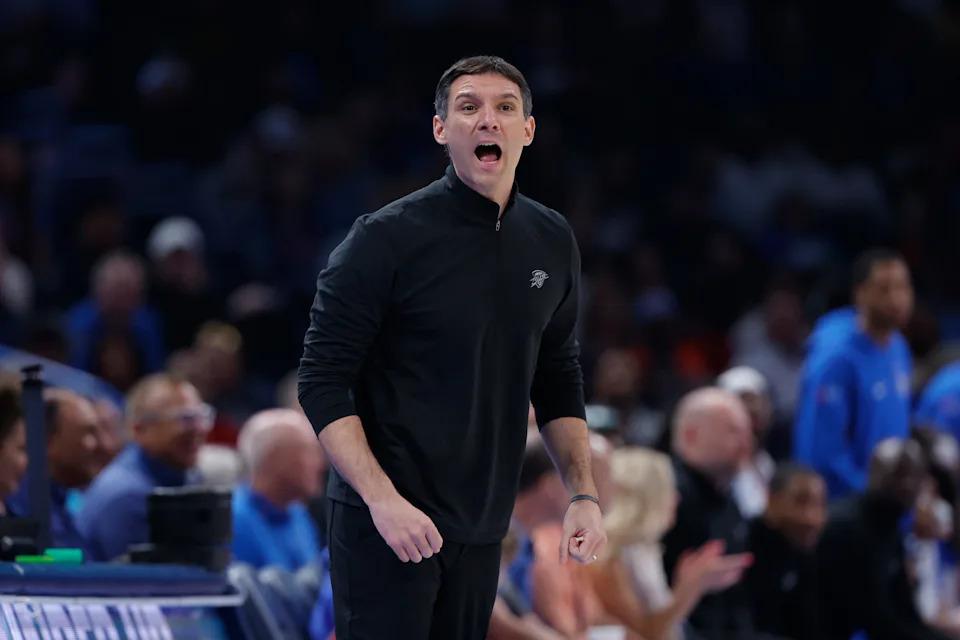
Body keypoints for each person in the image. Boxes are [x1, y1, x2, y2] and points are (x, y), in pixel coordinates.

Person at [297, 55, 605, 640]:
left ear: (528, 131)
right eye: (468, 108)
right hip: (386, 523)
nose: (487, 121)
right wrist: (383, 501)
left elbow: (560, 376)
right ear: (442, 130)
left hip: (484, 524)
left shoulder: (551, 239)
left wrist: (583, 493)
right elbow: (320, 381)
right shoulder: (383, 239)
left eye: (505, 109)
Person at [589, 447, 752, 640]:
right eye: (669, 488)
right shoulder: (609, 556)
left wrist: (691, 587)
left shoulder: (645, 551)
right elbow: (646, 633)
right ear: (647, 496)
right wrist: (689, 589)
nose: (677, 498)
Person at [793, 249, 914, 498]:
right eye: (883, 289)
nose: (896, 299)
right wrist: (875, 500)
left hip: (887, 504)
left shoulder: (899, 347)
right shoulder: (835, 360)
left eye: (902, 287)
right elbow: (822, 455)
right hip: (848, 509)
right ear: (859, 293)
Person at [816, 438, 954, 640]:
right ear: (873, 475)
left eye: (915, 476)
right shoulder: (850, 528)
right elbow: (879, 623)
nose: (907, 485)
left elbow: (906, 612)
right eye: (898, 475)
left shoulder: (891, 528)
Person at [78, 373, 210, 561]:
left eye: (202, 416)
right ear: (140, 429)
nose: (199, 429)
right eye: (185, 418)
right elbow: (141, 586)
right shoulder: (127, 496)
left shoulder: (187, 479)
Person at [661, 387, 756, 638]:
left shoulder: (728, 498)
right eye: (733, 431)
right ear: (691, 436)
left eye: (748, 432)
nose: (747, 442)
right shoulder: (665, 495)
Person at [7, 388, 102, 553]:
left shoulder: (64, 502)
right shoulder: (25, 505)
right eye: (86, 433)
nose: (97, 445)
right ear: (49, 442)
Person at [231, 408, 323, 571]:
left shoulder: (298, 514)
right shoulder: (233, 523)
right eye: (309, 452)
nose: (320, 464)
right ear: (274, 458)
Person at [744, 464, 827, 640]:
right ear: (771, 501)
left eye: (820, 504)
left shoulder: (806, 553)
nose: (813, 518)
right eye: (801, 501)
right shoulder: (742, 546)